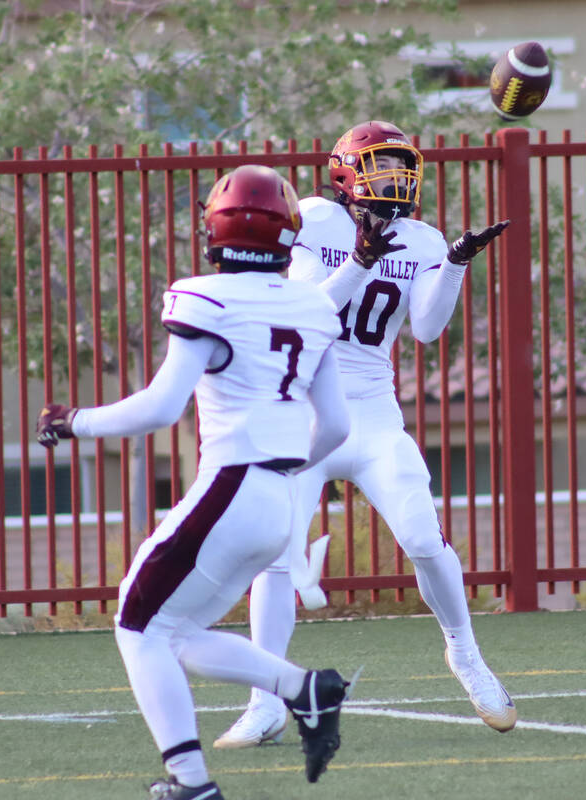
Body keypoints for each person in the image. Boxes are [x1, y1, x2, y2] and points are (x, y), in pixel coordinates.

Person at [35, 165, 356, 799]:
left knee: (136, 623)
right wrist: (289, 467)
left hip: (231, 486)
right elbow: (337, 425)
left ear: (214, 227)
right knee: (173, 634)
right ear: (288, 231)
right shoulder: (313, 303)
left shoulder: (205, 296)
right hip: (276, 501)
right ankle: (303, 689)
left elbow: (160, 407)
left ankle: (190, 783)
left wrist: (73, 422)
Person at [213, 120, 516, 750]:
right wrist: (360, 260)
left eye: (402, 166)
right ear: (345, 170)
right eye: (381, 165)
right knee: (274, 552)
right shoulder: (316, 218)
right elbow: (306, 315)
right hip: (304, 413)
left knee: (424, 540)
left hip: (374, 415)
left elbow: (427, 329)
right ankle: (264, 701)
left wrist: (454, 265)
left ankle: (465, 654)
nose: (395, 178)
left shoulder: (423, 237)